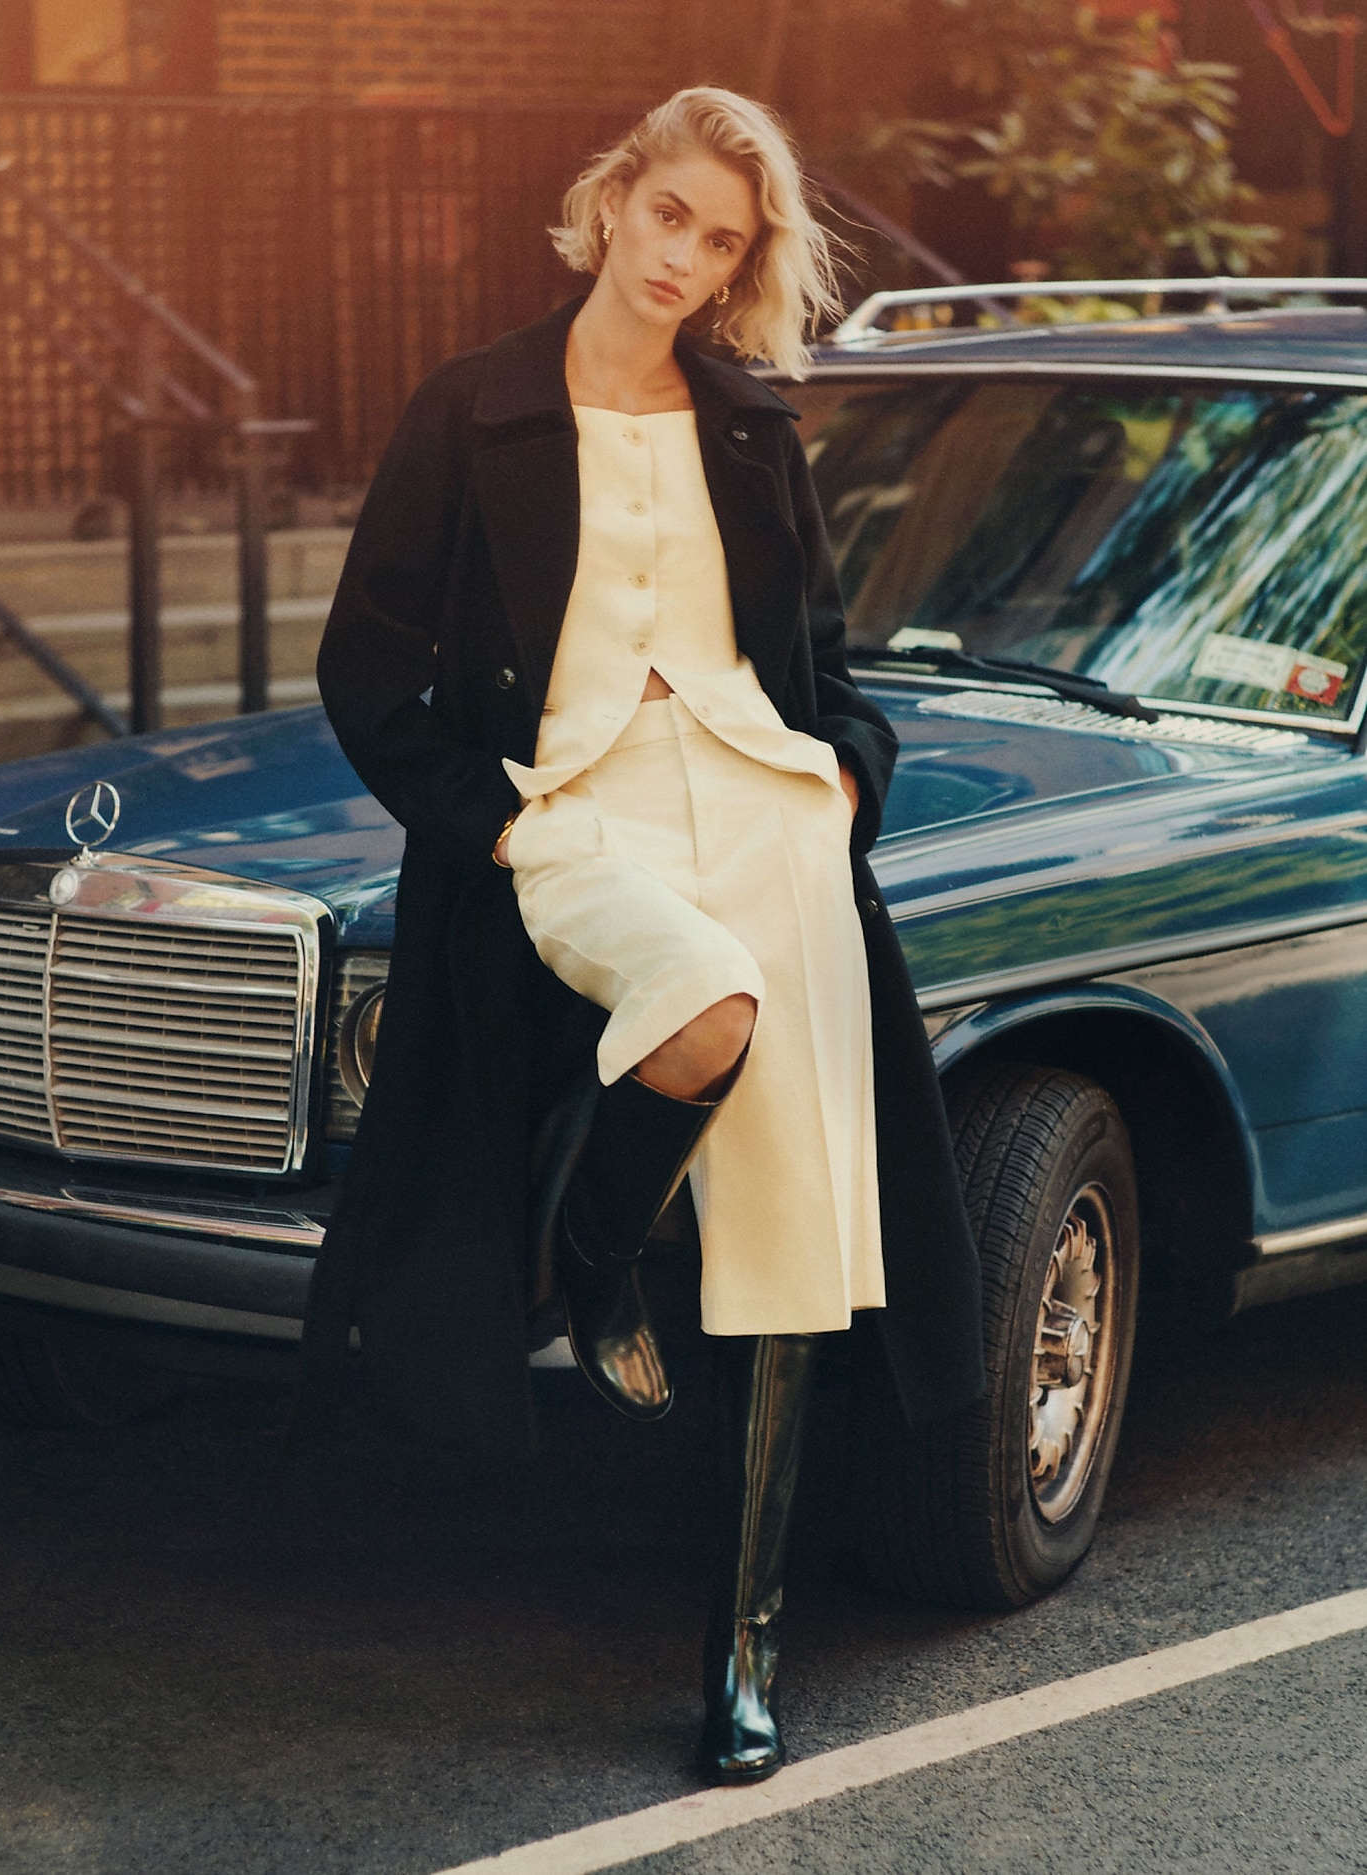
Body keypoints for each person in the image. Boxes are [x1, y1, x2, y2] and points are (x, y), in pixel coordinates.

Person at [299, 86, 985, 1785]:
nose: (687, 257)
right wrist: (497, 819)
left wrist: (846, 786)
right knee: (696, 1003)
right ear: (611, 203)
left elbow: (823, 656)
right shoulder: (472, 411)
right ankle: (593, 1258)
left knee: (787, 1238)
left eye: (723, 240)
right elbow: (365, 672)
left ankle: (743, 1653)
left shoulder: (750, 424)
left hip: (765, 797)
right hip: (575, 805)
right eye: (669, 215)